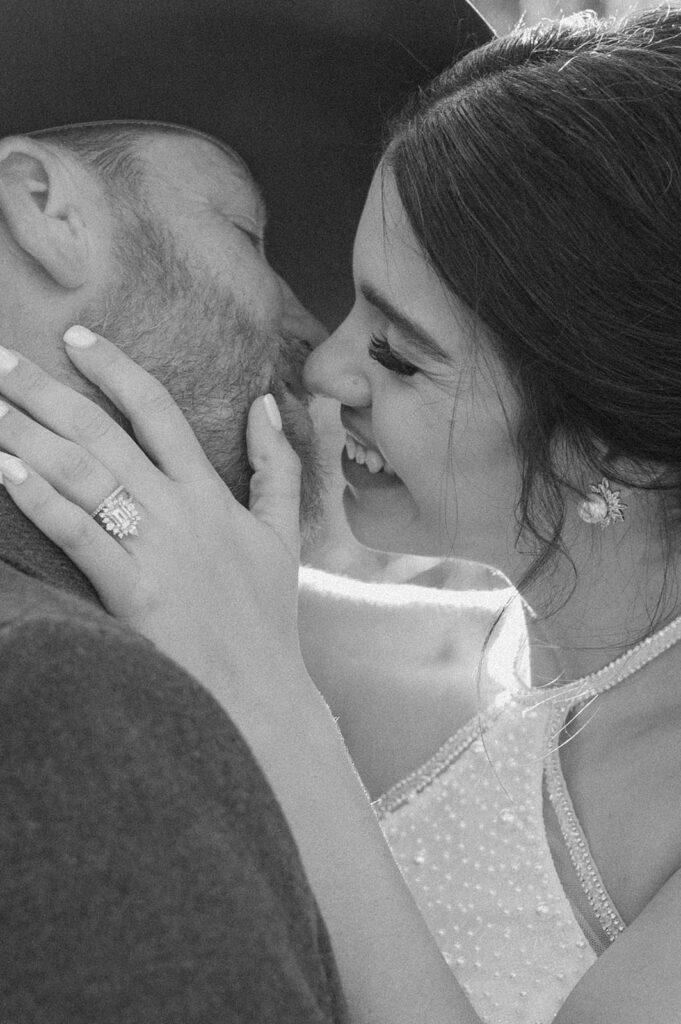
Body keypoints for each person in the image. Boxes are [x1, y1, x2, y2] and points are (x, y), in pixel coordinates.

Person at [3, 5, 681, 1024]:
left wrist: (274, 713)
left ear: (615, 439)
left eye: (401, 355)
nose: (322, 368)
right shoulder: (287, 623)